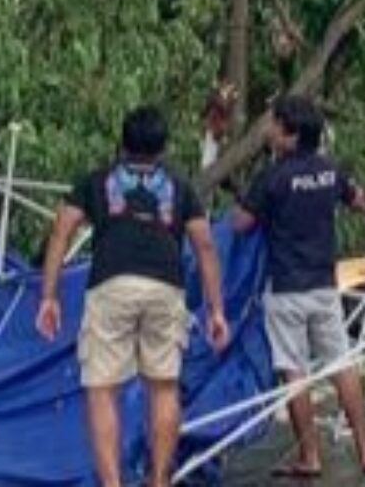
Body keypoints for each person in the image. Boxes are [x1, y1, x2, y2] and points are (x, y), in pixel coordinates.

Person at [40, 106, 232, 487]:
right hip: (165, 286)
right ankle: (159, 481)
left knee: (102, 389)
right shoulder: (180, 185)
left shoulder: (97, 181)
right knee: (163, 386)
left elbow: (62, 228)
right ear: (163, 147)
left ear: (123, 143)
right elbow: (205, 245)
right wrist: (216, 310)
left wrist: (49, 296)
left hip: (111, 285)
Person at [231, 95, 365, 480]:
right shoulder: (330, 171)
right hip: (324, 287)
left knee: (294, 371)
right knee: (342, 365)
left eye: (274, 124)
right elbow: (359, 200)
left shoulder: (273, 177)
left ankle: (309, 456)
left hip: (287, 289)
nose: (268, 130)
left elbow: (240, 224)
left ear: (291, 134)